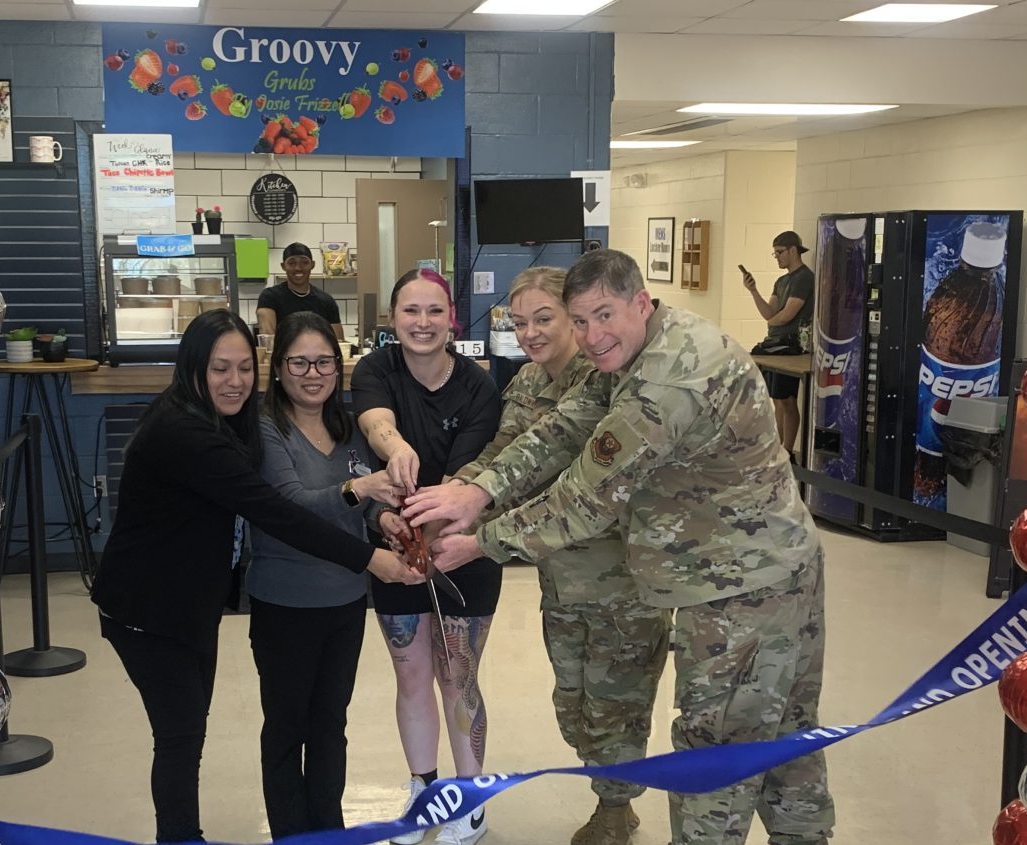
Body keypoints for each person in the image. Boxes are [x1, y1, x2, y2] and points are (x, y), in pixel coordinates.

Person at [405, 249, 834, 845]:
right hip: (750, 569)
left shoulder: (669, 380)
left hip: (745, 587)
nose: (592, 335)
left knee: (718, 751)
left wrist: (482, 542)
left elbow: (587, 496)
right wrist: (475, 492)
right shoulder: (637, 352)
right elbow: (562, 426)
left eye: (603, 316)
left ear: (640, 301)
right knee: (785, 735)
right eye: (580, 320)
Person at [90, 309, 419, 845]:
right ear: (194, 366)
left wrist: (378, 517)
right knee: (181, 736)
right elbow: (280, 511)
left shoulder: (224, 421)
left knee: (202, 733)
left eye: (245, 368)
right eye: (221, 368)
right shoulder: (190, 431)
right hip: (148, 609)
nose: (235, 381)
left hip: (192, 604)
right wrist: (371, 559)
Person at [449, 267, 669, 845]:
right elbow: (505, 456)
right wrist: (451, 497)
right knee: (572, 706)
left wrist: (475, 528)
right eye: (518, 322)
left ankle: (616, 812)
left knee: (616, 708)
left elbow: (565, 481)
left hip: (623, 586)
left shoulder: (606, 383)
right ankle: (610, 793)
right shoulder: (524, 383)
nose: (530, 333)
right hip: (561, 584)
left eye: (544, 319)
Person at [352, 268, 502, 845]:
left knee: (457, 673)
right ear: (393, 320)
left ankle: (470, 795)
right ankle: (424, 786)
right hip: (395, 548)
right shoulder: (375, 370)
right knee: (411, 673)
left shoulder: (478, 386)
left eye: (434, 311)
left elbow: (465, 484)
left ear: (451, 319)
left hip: (462, 548)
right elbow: (373, 421)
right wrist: (396, 450)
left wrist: (423, 540)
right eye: (410, 311)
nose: (422, 322)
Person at [249, 312, 404, 839]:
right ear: (278, 368)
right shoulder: (265, 426)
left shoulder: (346, 426)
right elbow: (290, 506)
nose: (312, 373)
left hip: (343, 602)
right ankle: (290, 833)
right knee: (287, 728)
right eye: (299, 362)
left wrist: (383, 517)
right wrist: (365, 491)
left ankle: (328, 829)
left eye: (324, 362)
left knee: (330, 725)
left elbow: (356, 504)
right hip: (284, 603)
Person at [741, 230, 814, 460]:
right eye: (775, 254)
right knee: (777, 399)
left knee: (788, 399)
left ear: (794, 250)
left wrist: (772, 319)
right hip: (775, 344)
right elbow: (770, 312)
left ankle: (787, 449)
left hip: (789, 346)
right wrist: (753, 291)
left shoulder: (804, 278)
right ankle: (779, 446)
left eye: (780, 252)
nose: (778, 257)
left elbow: (786, 315)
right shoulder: (781, 281)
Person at [257, 242, 345, 340]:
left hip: (317, 354)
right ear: (283, 266)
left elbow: (338, 342)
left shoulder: (326, 300)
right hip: (283, 354)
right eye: (291, 263)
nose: (298, 268)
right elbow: (267, 336)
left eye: (304, 262)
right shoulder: (270, 297)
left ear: (312, 265)